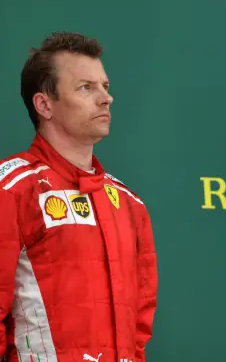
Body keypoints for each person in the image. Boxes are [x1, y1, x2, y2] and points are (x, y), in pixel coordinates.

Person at [0, 32, 158, 362]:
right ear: (44, 105)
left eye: (105, 86)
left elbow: (139, 331)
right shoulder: (12, 189)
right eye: (86, 87)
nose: (106, 98)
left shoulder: (130, 204)